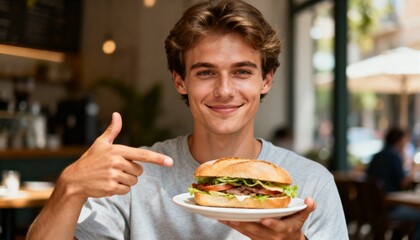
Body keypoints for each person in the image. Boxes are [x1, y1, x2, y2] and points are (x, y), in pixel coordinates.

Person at [26, 1, 348, 239]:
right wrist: (69, 187)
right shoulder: (135, 179)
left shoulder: (311, 184)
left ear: (266, 80)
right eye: (206, 72)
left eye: (242, 72)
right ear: (180, 81)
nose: (224, 90)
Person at [367, 126, 420, 239]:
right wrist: (414, 171)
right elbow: (403, 183)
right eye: (405, 140)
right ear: (399, 140)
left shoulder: (377, 156)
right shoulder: (393, 156)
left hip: (372, 208)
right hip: (388, 208)